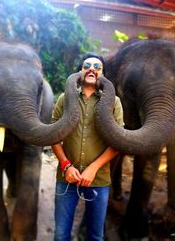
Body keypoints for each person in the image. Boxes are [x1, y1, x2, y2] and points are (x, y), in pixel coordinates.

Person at [51, 53, 124, 241]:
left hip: (98, 179)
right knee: (60, 235)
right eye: (87, 65)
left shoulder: (113, 102)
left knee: (95, 235)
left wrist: (93, 168)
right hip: (66, 177)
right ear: (80, 72)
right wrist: (66, 165)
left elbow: (118, 142)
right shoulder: (64, 99)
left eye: (97, 67)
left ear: (103, 75)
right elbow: (53, 136)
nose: (92, 68)